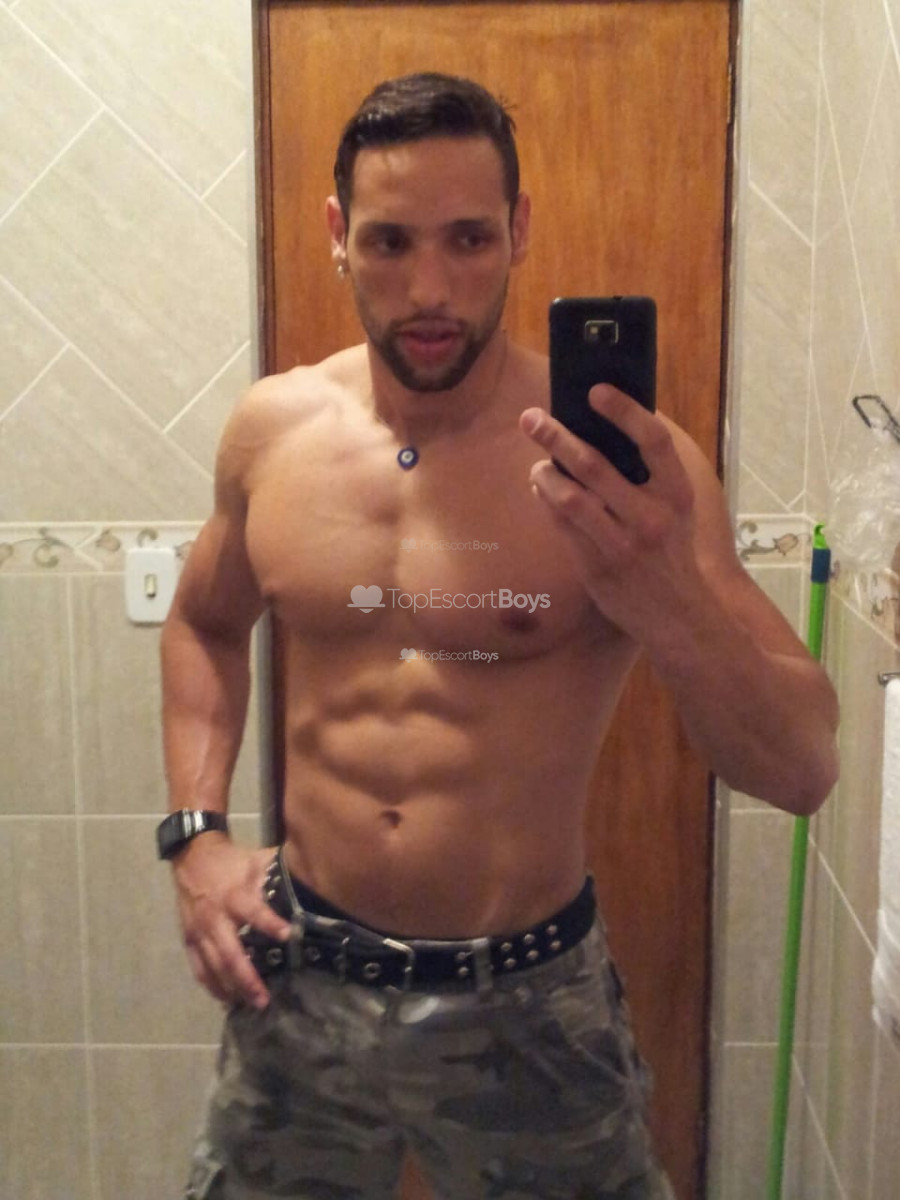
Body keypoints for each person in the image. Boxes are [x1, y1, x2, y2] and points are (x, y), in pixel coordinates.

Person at [160, 73, 838, 1200]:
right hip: (300, 983)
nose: (430, 288)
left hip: (527, 1009)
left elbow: (802, 767)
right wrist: (195, 838)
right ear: (337, 235)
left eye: (469, 238)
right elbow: (202, 623)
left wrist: (666, 597)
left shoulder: (630, 470)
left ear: (518, 230)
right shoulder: (273, 432)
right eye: (390, 241)